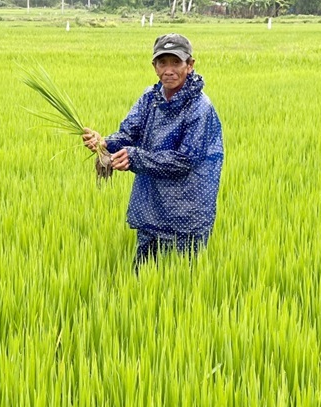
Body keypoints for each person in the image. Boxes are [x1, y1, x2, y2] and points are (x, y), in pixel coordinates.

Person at [82, 33, 224, 270]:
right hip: (151, 206)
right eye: (162, 62)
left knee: (184, 287)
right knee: (144, 282)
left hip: (188, 210)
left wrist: (134, 157)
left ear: (190, 65)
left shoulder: (201, 109)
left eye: (176, 62)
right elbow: (128, 134)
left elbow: (183, 161)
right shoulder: (150, 98)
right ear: (154, 67)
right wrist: (104, 143)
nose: (169, 70)